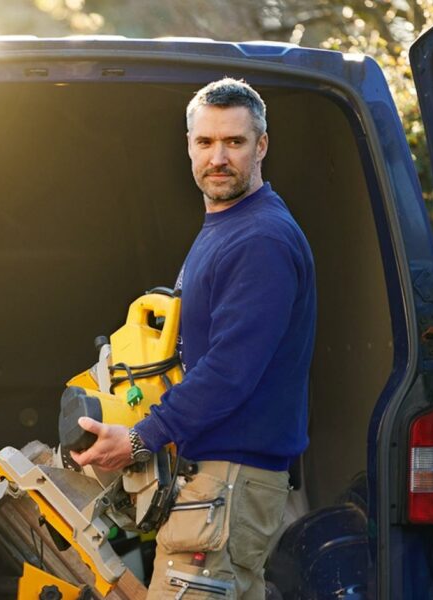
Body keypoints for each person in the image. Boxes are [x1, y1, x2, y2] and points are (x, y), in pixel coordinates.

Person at [70, 78, 317, 598]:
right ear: (189, 146)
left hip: (229, 481)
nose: (219, 157)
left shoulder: (261, 240)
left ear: (262, 145)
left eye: (235, 142)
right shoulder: (226, 227)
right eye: (206, 143)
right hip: (219, 481)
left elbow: (230, 370)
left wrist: (140, 438)